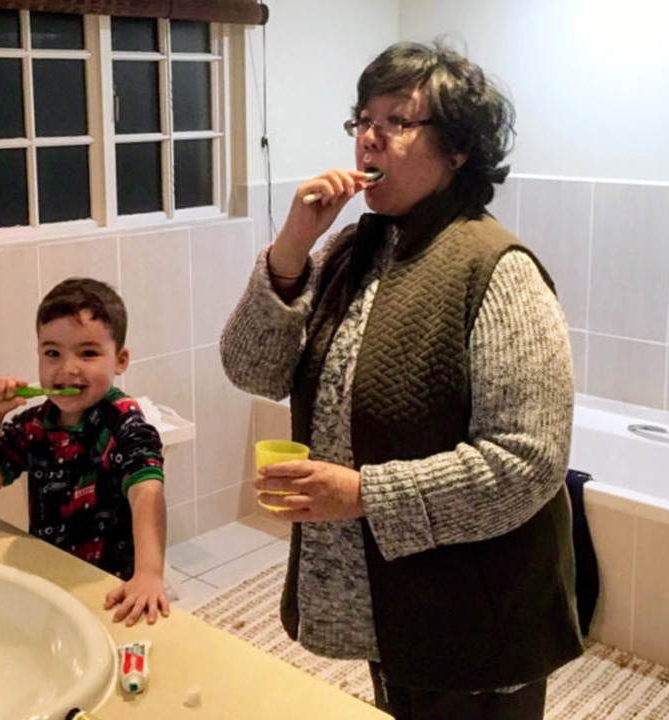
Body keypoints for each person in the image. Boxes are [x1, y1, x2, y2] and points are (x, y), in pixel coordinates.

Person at [220, 41, 581, 719]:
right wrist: (291, 249)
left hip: (477, 610)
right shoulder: (351, 249)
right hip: (384, 601)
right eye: (362, 118)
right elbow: (251, 368)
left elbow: (528, 464)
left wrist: (363, 493)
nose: (369, 135)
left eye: (397, 120)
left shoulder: (497, 268)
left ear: (457, 150)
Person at [0, 278, 169, 626]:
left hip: (112, 588)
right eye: (52, 353)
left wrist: (149, 574)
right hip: (50, 581)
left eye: (88, 353)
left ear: (120, 360)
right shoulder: (34, 426)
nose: (67, 368)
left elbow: (147, 491)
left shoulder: (123, 422)